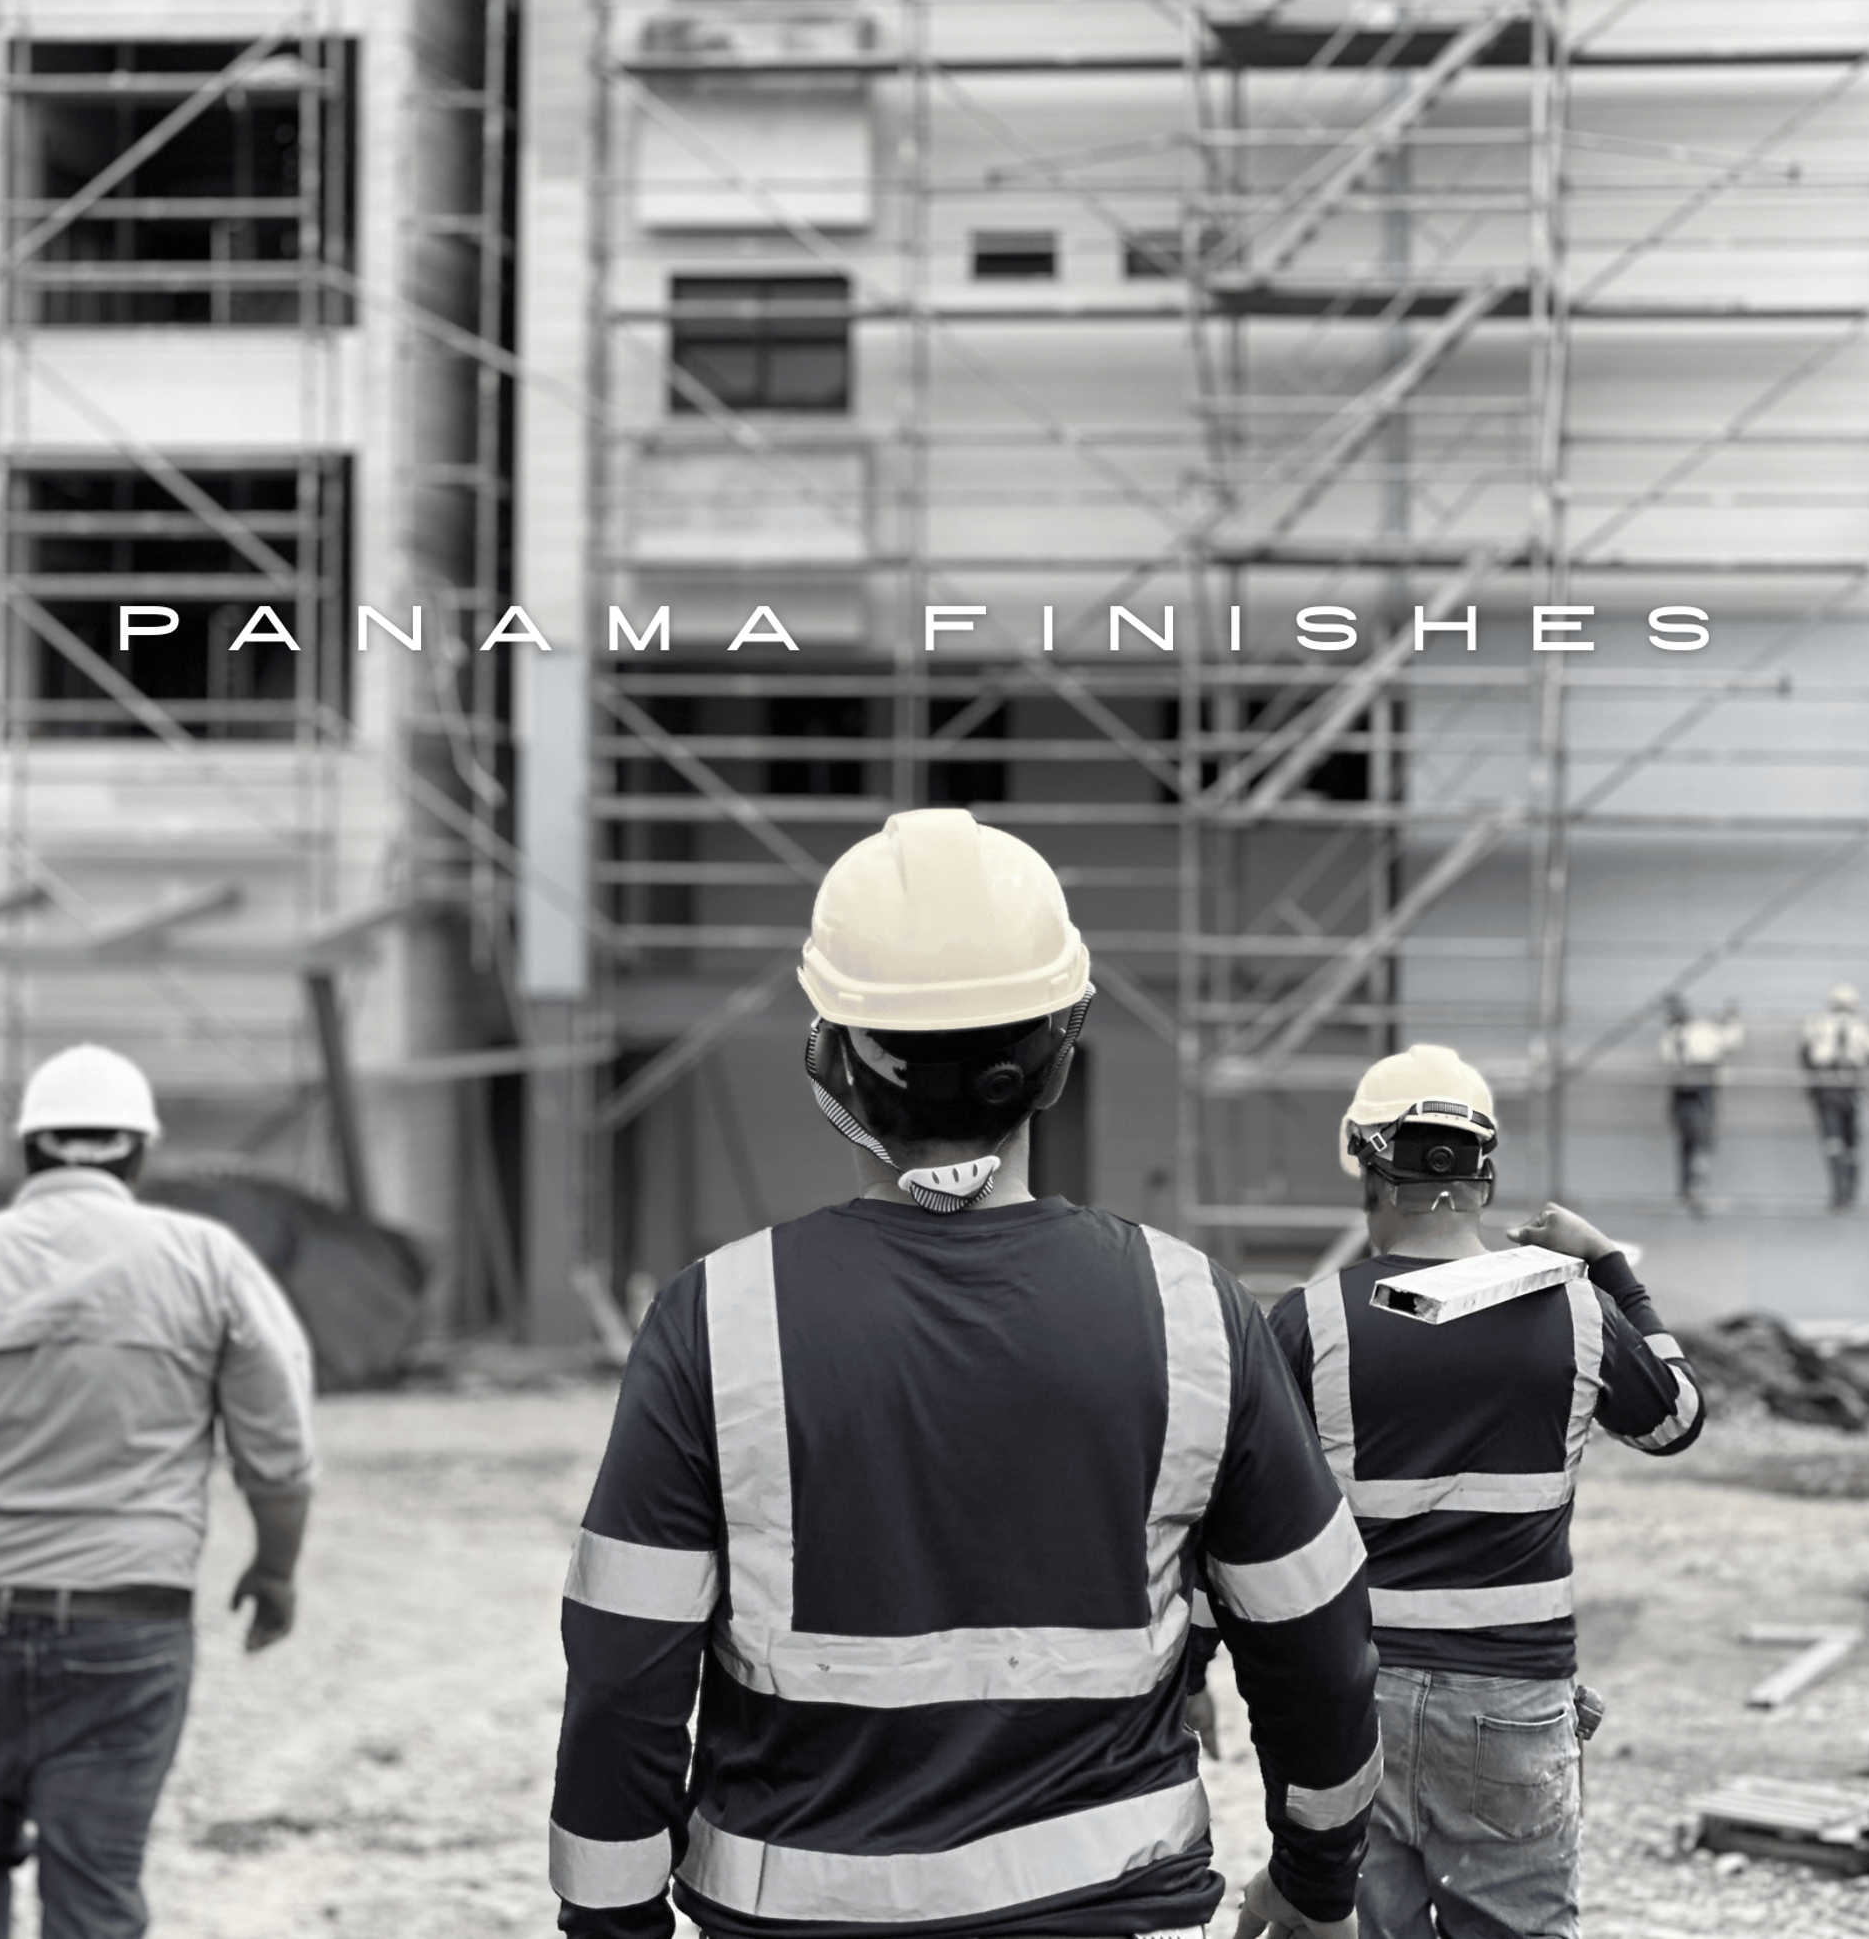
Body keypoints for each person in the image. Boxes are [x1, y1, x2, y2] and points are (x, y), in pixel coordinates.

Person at [549, 808, 1382, 1939]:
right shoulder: (1196, 1310)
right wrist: (1315, 1886)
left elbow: (621, 1680)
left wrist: (612, 1928)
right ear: (1062, 1051)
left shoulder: (717, 1319)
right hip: (1112, 1907)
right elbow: (1320, 1648)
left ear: (831, 1055)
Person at [1262, 1044, 1704, 1939]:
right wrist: (1610, 1265)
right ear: (1485, 1178)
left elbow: (1248, 1521)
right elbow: (1677, 1418)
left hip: (1357, 1703)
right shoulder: (1577, 1311)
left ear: (1367, 1168)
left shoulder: (1309, 1320)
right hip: (1512, 1705)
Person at [0, 1043, 315, 1939]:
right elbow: (278, 1453)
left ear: (29, 1150)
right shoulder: (205, 1259)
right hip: (126, 1629)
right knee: (96, 1885)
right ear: (139, 1153)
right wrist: (274, 1572)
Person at [1659, 994, 1743, 1206]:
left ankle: (1689, 1186)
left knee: (1693, 1140)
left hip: (1687, 1090)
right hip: (1697, 1090)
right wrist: (1732, 1018)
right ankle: (1694, 1187)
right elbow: (1729, 1042)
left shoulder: (1675, 1034)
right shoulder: (1695, 1031)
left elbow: (1670, 1061)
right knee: (1699, 1140)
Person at [1799, 984, 1869, 1211]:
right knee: (1847, 1141)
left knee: (1837, 1140)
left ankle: (1842, 1190)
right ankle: (1847, 1190)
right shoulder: (1860, 1026)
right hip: (1844, 1085)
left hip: (1832, 1085)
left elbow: (1806, 1055)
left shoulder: (1818, 1023)